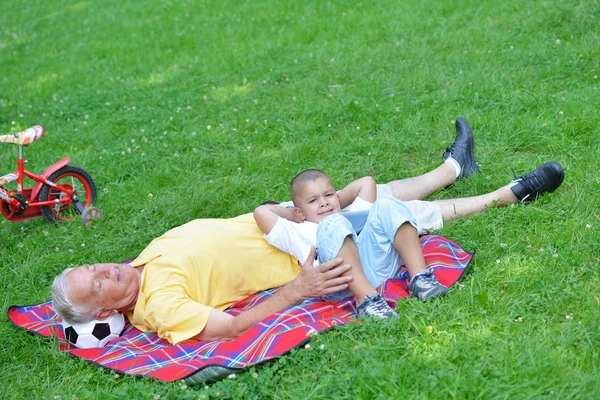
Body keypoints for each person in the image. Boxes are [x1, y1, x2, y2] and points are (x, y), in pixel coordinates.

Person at [51, 118, 565, 344]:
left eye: (92, 267)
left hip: (284, 220)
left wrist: (289, 208)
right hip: (308, 249)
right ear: (107, 311)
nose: (103, 270)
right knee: (389, 214)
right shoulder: (157, 305)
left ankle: (453, 169)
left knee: (374, 192)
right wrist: (298, 290)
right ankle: (504, 195)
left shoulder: (141, 262)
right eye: (97, 284)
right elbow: (229, 329)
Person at [254, 169, 450, 320]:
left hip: (376, 268)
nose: (323, 203)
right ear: (299, 211)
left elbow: (367, 183)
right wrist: (298, 216)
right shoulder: (297, 231)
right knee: (333, 223)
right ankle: (368, 302)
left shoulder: (348, 213)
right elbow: (261, 213)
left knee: (387, 204)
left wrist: (336, 204)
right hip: (338, 284)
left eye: (328, 195)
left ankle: (421, 279)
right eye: (313, 200)